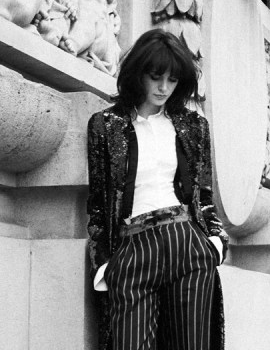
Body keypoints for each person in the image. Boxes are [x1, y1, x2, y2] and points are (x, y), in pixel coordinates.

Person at [86, 29, 228, 350]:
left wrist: (216, 243)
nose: (164, 87)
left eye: (172, 80)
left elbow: (204, 195)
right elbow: (97, 205)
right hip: (133, 247)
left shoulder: (194, 126)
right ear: (138, 74)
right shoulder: (105, 125)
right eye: (155, 77)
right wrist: (104, 265)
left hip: (186, 242)